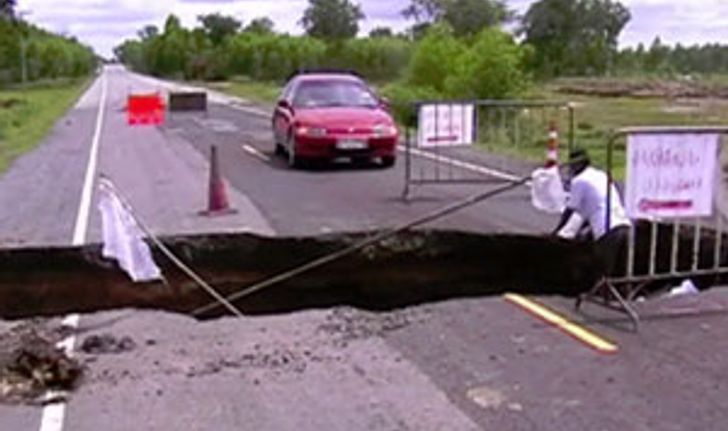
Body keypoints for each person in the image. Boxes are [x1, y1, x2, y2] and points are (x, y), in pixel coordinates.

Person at [553, 148, 632, 277]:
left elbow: (570, 211)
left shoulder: (580, 181)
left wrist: (556, 233)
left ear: (576, 165)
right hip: (624, 224)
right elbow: (589, 212)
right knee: (620, 268)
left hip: (607, 230)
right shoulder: (601, 175)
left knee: (601, 270)